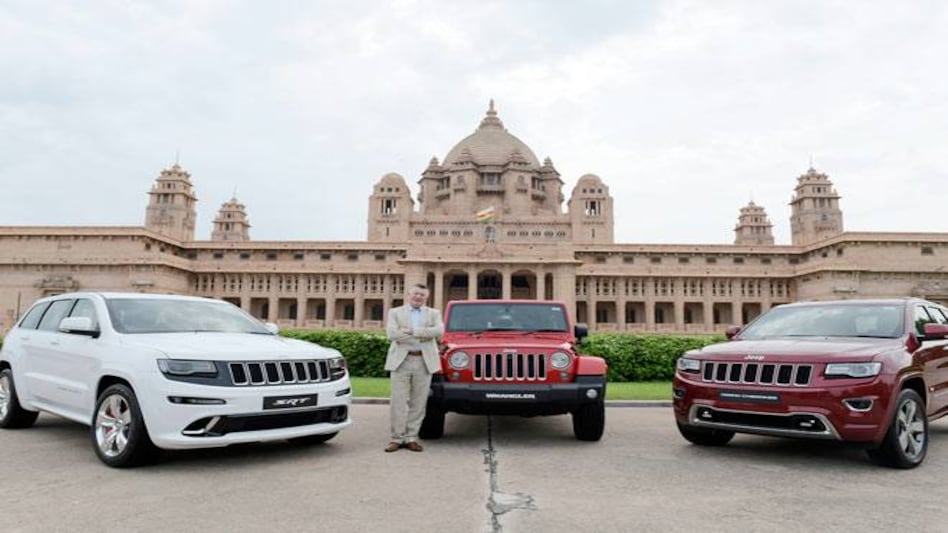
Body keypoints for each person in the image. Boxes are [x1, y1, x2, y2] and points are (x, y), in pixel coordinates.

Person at [383, 284, 444, 452]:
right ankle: (396, 438)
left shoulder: (434, 313)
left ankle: (411, 437)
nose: (419, 297)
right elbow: (392, 335)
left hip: (424, 361)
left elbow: (439, 330)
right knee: (398, 401)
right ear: (409, 295)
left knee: (419, 401)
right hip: (401, 361)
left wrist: (411, 331)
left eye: (422, 295)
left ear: (427, 297)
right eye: (416, 294)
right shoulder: (395, 312)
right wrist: (424, 333)